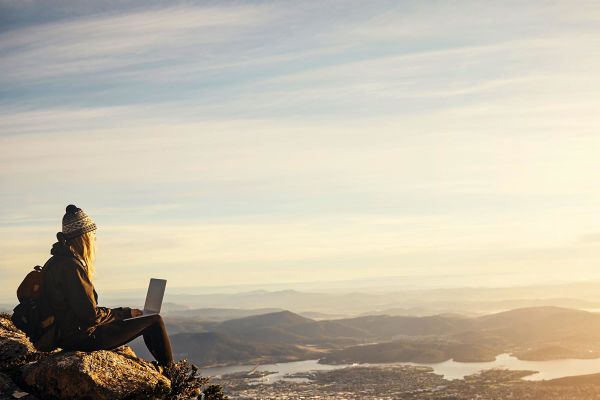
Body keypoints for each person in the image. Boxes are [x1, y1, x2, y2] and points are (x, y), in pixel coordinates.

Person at [42, 204, 174, 369]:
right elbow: (90, 316)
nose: (95, 240)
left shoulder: (56, 262)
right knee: (154, 320)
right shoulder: (71, 267)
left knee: (146, 319)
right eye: (93, 235)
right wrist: (124, 313)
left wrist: (125, 313)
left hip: (68, 334)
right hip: (82, 338)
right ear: (85, 237)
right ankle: (172, 373)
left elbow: (82, 311)